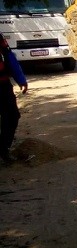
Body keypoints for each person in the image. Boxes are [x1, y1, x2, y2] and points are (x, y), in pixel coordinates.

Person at [0, 32, 28, 164]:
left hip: (3, 85)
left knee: (12, 116)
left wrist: (21, 80)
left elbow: (9, 57)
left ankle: (4, 149)